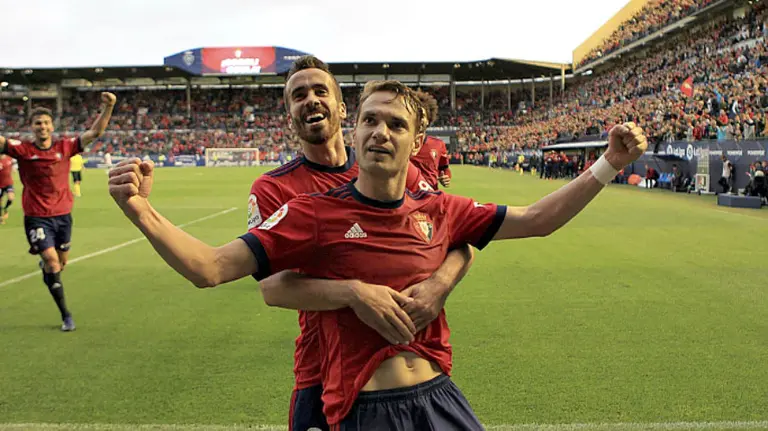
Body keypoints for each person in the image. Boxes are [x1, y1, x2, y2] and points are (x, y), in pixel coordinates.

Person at [108, 80, 647, 430]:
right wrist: (140, 210)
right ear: (355, 127)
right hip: (366, 411)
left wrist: (608, 165)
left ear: (417, 141)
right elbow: (211, 268)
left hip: (440, 398)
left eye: (395, 124)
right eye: (369, 120)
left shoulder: (439, 207)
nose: (379, 132)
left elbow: (537, 220)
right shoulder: (312, 213)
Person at [240, 56, 474, 431]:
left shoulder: (393, 166)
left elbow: (459, 238)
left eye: (320, 90)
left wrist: (439, 285)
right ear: (289, 115)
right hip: (321, 367)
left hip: (409, 358)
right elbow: (272, 287)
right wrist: (354, 293)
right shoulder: (274, 188)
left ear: (343, 108)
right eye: (298, 95)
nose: (311, 100)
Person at [0, 93, 116, 331]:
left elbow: (95, 133)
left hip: (63, 216)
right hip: (37, 217)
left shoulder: (66, 146)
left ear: (52, 126)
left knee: (60, 263)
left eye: (45, 123)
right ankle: (66, 315)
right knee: (52, 262)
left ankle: (49, 271)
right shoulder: (22, 150)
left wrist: (109, 106)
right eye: (37, 123)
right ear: (31, 127)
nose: (42, 127)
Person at [408, 90, 451, 189]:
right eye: (416, 115)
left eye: (423, 116)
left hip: (430, 194)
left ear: (429, 119)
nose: (420, 119)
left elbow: (444, 169)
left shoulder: (438, 144)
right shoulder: (402, 143)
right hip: (407, 195)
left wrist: (446, 177)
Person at [0, 154, 14, 224]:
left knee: (11, 198)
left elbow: (13, 165)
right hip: (0, 184)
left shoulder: (9, 158)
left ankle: (5, 208)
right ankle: (1, 218)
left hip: (8, 183)